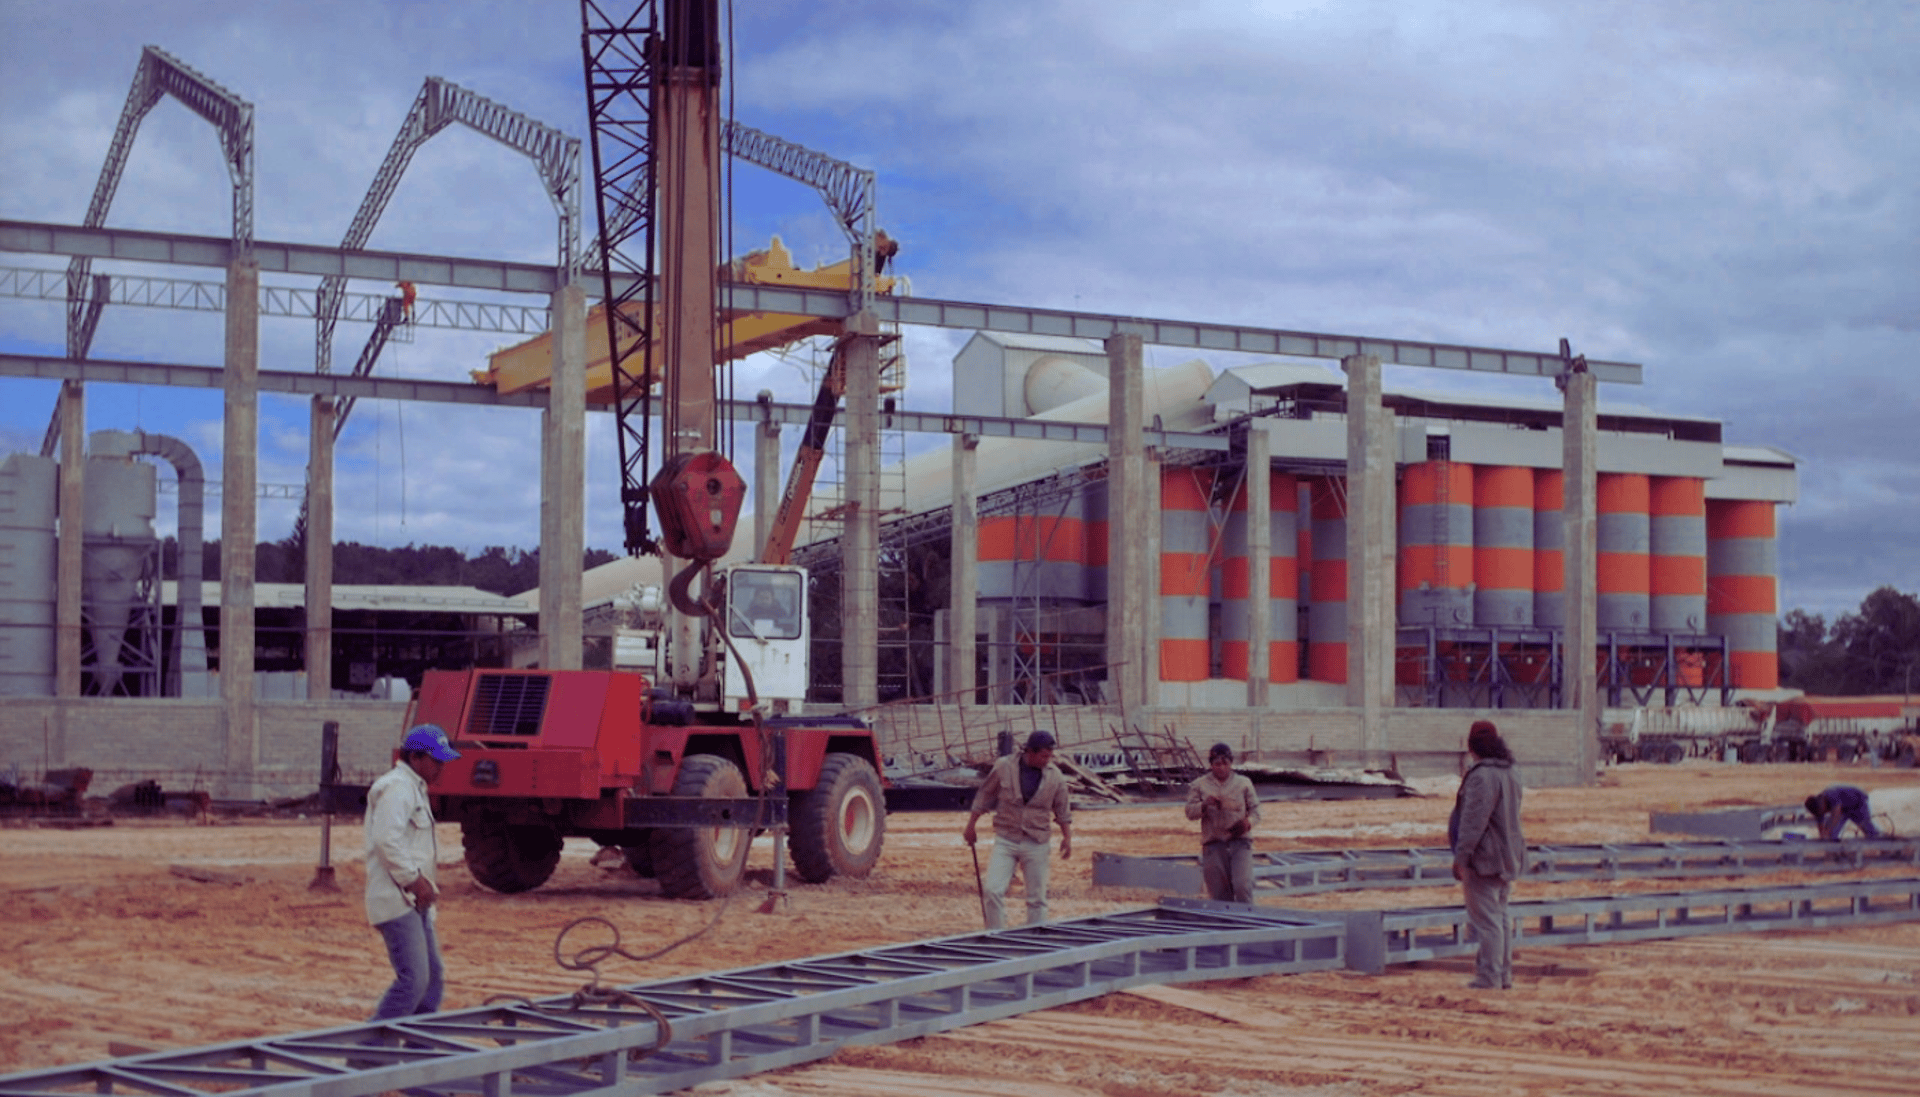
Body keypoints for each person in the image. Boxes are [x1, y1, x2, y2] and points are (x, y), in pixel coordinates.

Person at [364, 723, 460, 1019]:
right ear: (416, 758)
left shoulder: (412, 789)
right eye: (437, 760)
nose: (442, 767)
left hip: (414, 901)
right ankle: (367, 1058)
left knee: (431, 983)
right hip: (397, 899)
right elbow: (387, 840)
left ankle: (420, 1055)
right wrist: (414, 881)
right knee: (414, 983)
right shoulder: (397, 788)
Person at [963, 730, 1073, 929]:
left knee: (1037, 899)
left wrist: (1067, 838)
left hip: (1037, 842)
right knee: (992, 890)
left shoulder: (1055, 776)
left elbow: (1063, 809)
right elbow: (984, 796)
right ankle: (997, 937)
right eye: (1043, 756)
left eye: (1050, 756)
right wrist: (970, 826)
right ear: (1029, 752)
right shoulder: (1004, 766)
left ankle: (1034, 943)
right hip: (1007, 839)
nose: (1047, 760)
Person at [1448, 719, 1526, 990]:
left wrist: (1462, 857)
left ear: (1472, 748)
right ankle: (1502, 976)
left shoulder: (1482, 776)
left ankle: (1489, 976)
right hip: (1508, 857)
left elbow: (1473, 823)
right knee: (1500, 918)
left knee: (1488, 922)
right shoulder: (1512, 772)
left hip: (1484, 860)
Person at [1185, 742, 1260, 903]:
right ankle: (1227, 927)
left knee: (1242, 887)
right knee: (1220, 896)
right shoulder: (1199, 785)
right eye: (1217, 764)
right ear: (1211, 765)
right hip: (1214, 845)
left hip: (1240, 843)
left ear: (1231, 763)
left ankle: (1247, 925)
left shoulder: (1244, 783)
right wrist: (1205, 804)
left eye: (1225, 763)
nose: (1221, 767)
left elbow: (1256, 811)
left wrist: (1248, 823)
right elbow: (1189, 812)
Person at [1805, 785, 1881, 840]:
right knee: (1832, 835)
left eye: (1823, 811)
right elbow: (1820, 824)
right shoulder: (1818, 809)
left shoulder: (1831, 794)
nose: (1824, 813)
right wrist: (1823, 835)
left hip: (1858, 803)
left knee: (1868, 829)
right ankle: (1833, 853)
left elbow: (1837, 813)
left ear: (1821, 804)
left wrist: (1828, 830)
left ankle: (1885, 843)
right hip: (1844, 809)